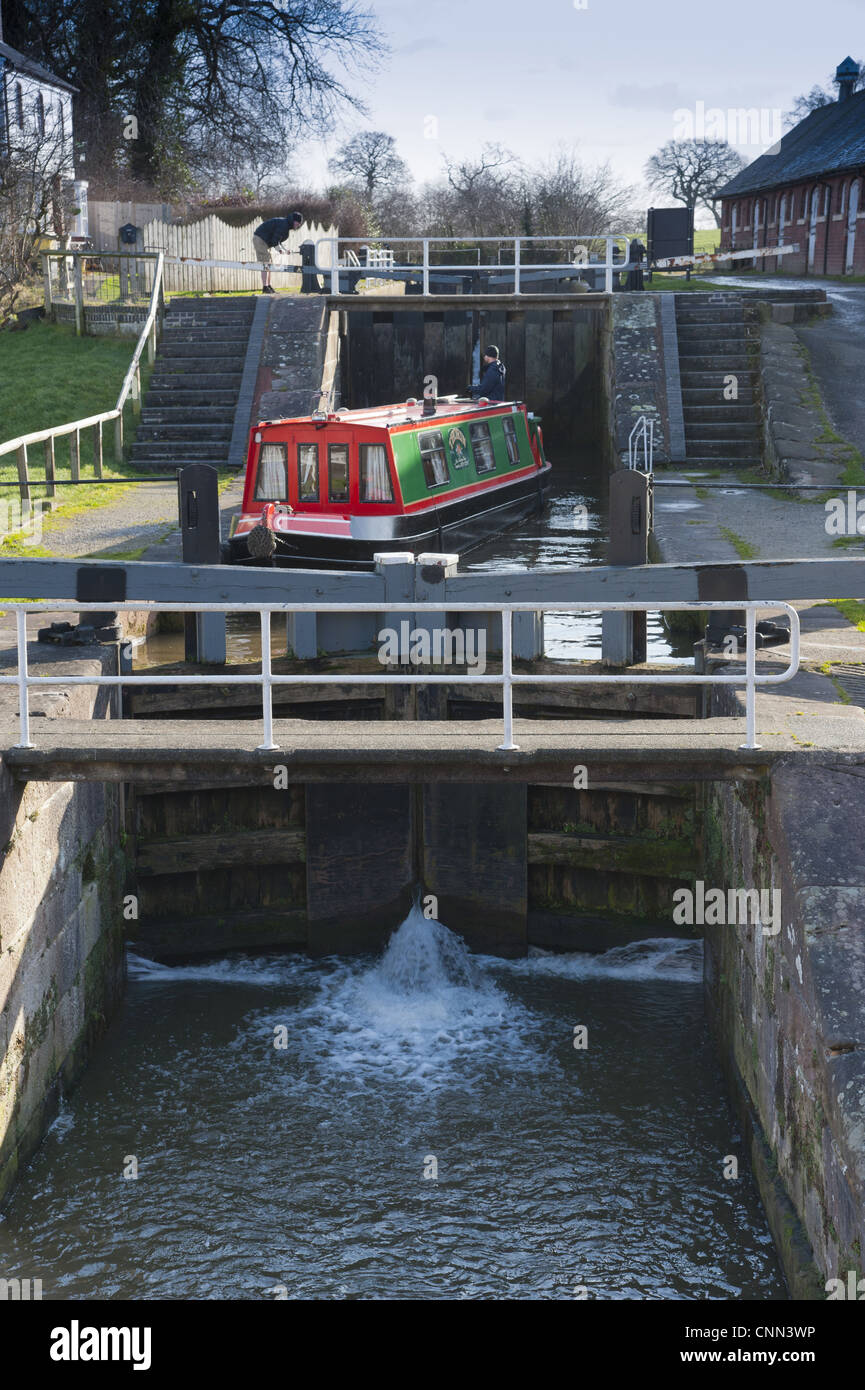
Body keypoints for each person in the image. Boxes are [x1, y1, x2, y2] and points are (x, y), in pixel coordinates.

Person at [253, 210, 303, 293]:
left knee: (269, 264)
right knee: (265, 263)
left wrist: (285, 250)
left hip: (264, 241)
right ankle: (265, 287)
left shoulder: (285, 224)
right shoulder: (284, 225)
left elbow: (278, 241)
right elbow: (275, 240)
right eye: (297, 224)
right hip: (260, 239)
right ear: (294, 221)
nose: (297, 226)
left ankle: (268, 286)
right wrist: (280, 250)